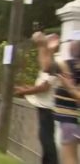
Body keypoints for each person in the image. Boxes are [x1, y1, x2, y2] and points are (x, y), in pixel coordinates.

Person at [15, 32, 59, 164]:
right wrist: (28, 89)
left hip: (49, 107)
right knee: (45, 139)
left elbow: (45, 86)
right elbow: (44, 78)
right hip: (45, 106)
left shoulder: (56, 61)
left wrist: (26, 91)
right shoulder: (51, 60)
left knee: (46, 140)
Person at [52, 37, 80, 164]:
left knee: (69, 159)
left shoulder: (70, 65)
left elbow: (47, 66)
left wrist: (46, 48)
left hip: (69, 121)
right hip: (69, 121)